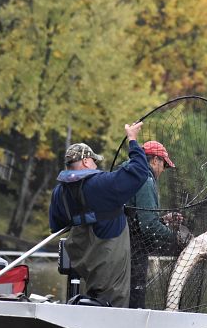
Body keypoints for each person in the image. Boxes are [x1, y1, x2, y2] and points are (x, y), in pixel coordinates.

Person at [48, 122, 150, 307]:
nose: (96, 165)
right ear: (86, 161)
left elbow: (56, 226)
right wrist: (132, 140)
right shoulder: (102, 184)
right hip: (109, 268)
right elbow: (140, 171)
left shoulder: (58, 192)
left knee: (92, 301)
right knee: (113, 307)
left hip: (85, 266)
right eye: (94, 161)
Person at [122, 140, 191, 308]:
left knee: (123, 293)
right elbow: (148, 227)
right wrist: (175, 236)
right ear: (155, 160)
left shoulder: (128, 173)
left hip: (120, 245)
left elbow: (137, 216)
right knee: (135, 296)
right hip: (132, 249)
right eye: (163, 165)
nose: (162, 170)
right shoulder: (145, 179)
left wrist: (163, 220)